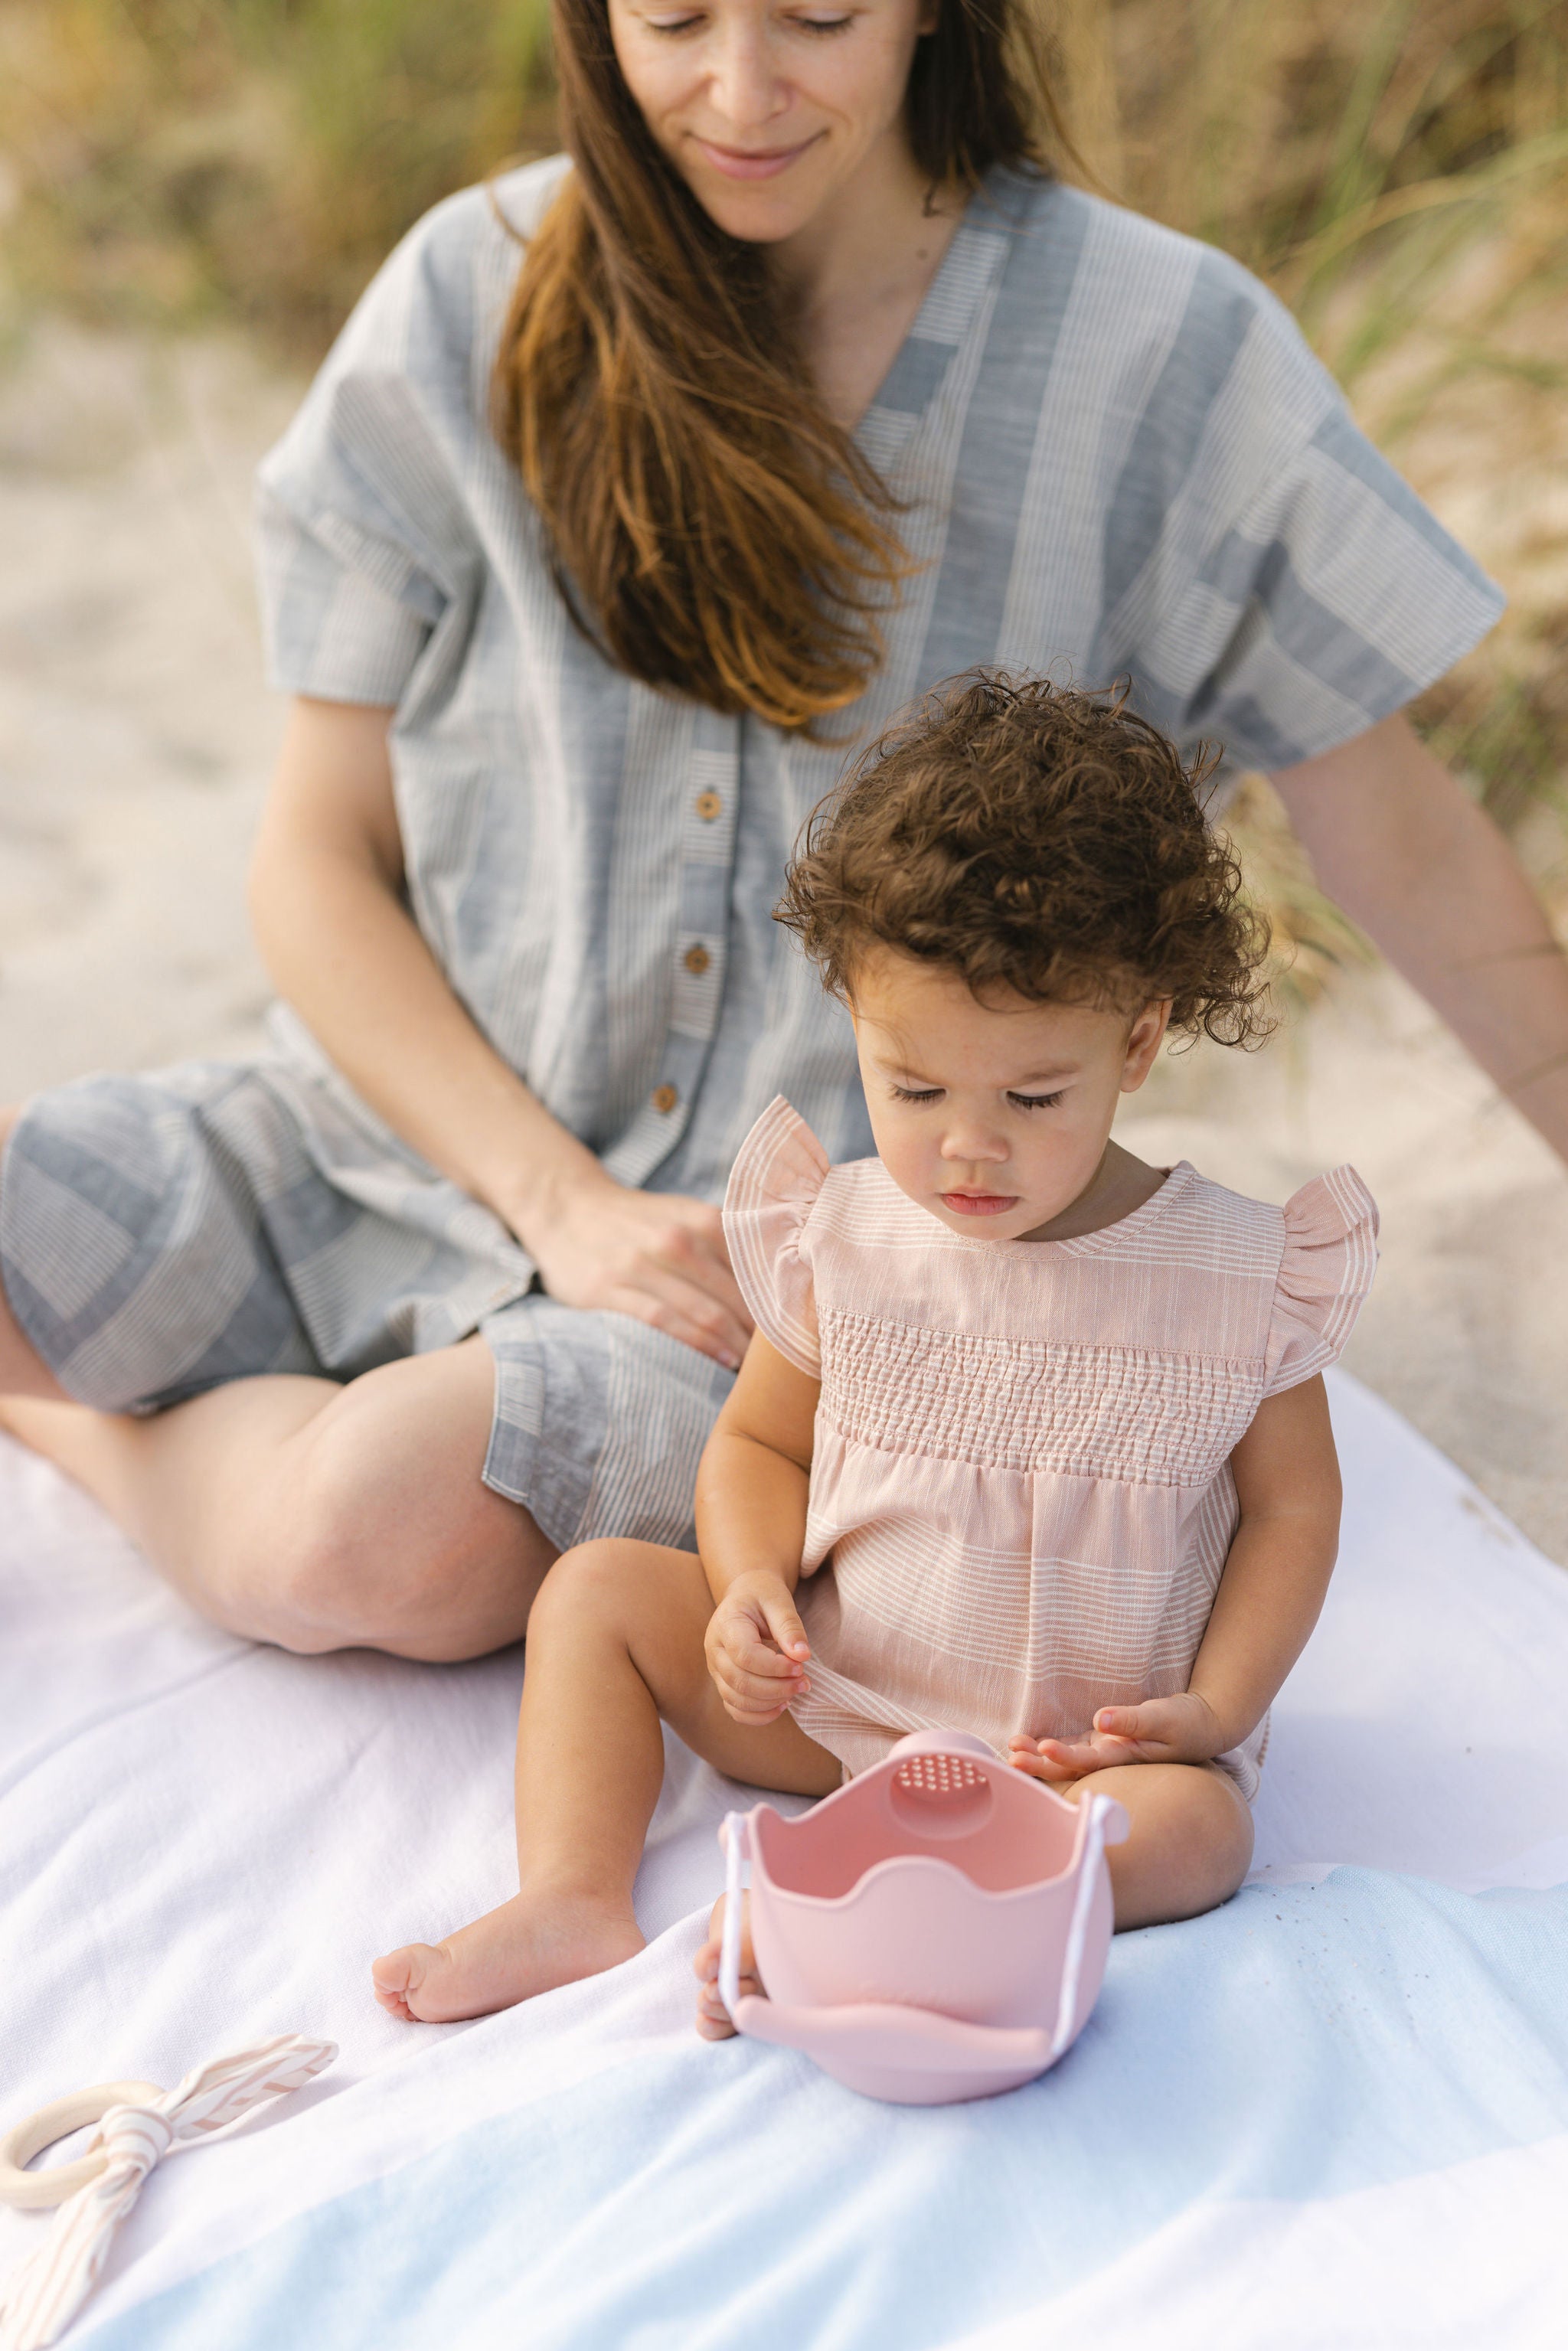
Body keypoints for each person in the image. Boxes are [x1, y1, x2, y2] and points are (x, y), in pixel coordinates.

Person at [0, 0, 1557, 1663]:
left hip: (779, 1290)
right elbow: (309, 861)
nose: (739, 92)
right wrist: (556, 1203)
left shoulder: (1165, 349)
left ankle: (90, 1437)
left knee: (363, 1534)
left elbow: (1400, 837)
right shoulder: (470, 289)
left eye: (818, 13)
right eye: (672, 16)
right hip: (396, 1136)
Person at [370, 673, 1378, 2026]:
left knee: (1198, 1836)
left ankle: (900, 1915)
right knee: (602, 1591)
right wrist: (744, 1593)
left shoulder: (1240, 1276)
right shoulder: (840, 1233)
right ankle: (569, 1895)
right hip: (845, 1701)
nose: (967, 1144)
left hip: (1076, 1760)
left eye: (1033, 1095)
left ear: (1136, 1041)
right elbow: (761, 1441)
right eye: (912, 1087)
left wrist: (1217, 1706)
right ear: (853, 1015)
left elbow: (1292, 1511)